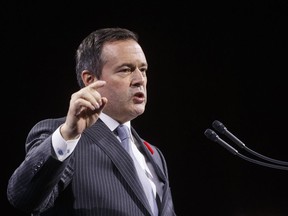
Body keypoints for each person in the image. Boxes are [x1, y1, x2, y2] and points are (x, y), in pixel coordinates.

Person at [7, 27, 176, 216]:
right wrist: (68, 135)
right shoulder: (63, 135)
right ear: (90, 79)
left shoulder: (154, 156)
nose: (139, 79)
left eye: (143, 69)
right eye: (125, 70)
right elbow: (23, 197)